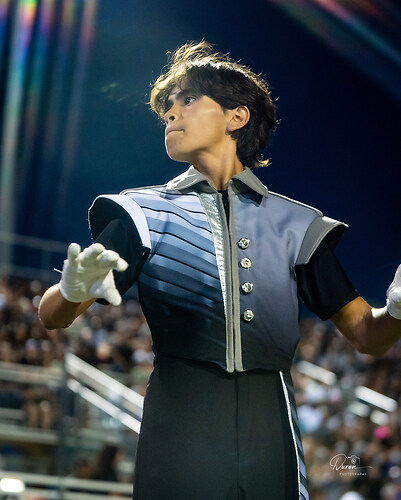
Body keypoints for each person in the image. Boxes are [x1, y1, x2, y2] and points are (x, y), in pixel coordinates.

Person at [38, 41, 401, 500]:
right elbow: (52, 315)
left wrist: (397, 309)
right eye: (167, 106)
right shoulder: (141, 213)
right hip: (180, 419)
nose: (170, 112)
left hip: (271, 419)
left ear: (237, 117)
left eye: (188, 98)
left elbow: (369, 336)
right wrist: (70, 290)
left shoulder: (297, 223)